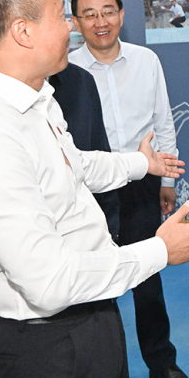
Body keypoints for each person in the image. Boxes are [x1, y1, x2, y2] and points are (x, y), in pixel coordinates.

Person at [0, 0, 189, 378]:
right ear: (23, 31)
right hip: (48, 349)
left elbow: (74, 165)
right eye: (61, 16)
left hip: (90, 319)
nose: (71, 28)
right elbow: (50, 282)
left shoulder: (36, 98)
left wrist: (141, 164)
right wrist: (159, 250)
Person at [69, 0, 189, 378]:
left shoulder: (146, 60)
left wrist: (167, 180)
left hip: (142, 182)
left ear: (121, 15)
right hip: (89, 188)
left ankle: (162, 363)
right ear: (76, 23)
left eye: (108, 11)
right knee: (90, 281)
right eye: (89, 14)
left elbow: (163, 121)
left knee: (148, 277)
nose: (100, 21)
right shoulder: (65, 71)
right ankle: (101, 371)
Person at [49, 62, 121, 243]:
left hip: (92, 236)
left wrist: (110, 227)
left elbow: (94, 151)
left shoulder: (79, 80)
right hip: (41, 244)